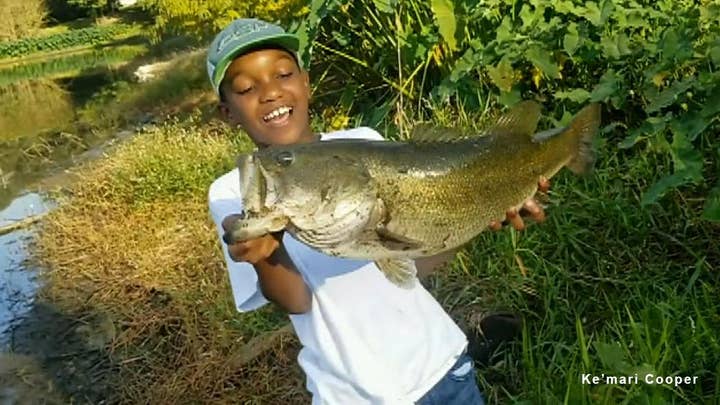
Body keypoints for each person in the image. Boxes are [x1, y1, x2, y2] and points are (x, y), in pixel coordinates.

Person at [206, 18, 548, 405]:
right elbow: (297, 301)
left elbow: (412, 261)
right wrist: (264, 257)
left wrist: (482, 214)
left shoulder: (366, 143)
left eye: (283, 73)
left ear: (306, 83)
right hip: (354, 396)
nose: (269, 92)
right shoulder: (232, 191)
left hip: (442, 366)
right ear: (227, 111)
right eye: (246, 88)